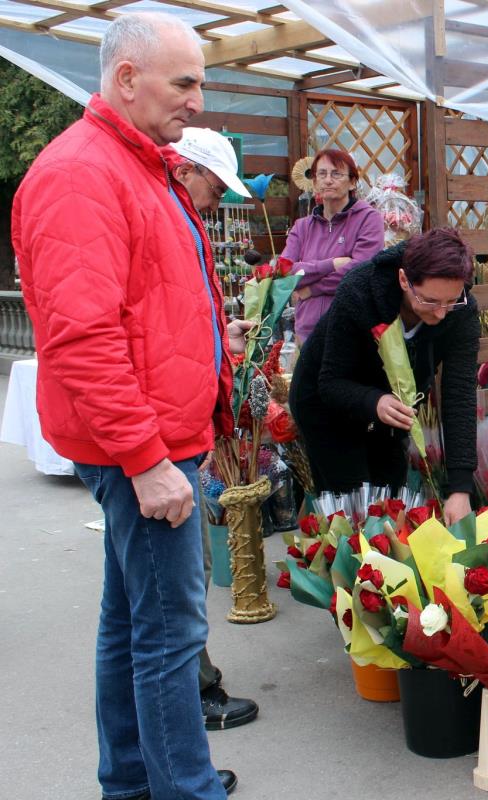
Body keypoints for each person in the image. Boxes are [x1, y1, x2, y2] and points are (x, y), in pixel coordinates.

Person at [13, 12, 238, 799]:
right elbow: (81, 339)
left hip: (156, 440)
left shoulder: (136, 166)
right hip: (139, 449)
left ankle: (136, 783)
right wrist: (148, 458)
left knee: (132, 627)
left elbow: (157, 312)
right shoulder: (84, 174)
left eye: (200, 82)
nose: (198, 101)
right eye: (186, 83)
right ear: (126, 79)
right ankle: (184, 788)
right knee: (170, 635)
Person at [289, 228, 480, 526]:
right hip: (327, 405)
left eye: (451, 301)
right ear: (404, 280)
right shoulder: (360, 290)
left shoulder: (463, 311)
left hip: (392, 412)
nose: (443, 313)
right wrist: (374, 401)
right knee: (356, 516)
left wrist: (460, 487)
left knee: (392, 509)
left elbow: (459, 393)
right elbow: (331, 381)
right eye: (431, 301)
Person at [168, 126, 261, 733]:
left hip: (176, 427)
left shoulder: (180, 219)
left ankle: (189, 691)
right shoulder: (169, 220)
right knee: (178, 582)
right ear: (185, 170)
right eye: (213, 186)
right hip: (162, 437)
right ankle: (191, 699)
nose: (215, 202)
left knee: (169, 583)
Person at [283, 147, 385, 342]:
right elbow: (286, 271)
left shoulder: (368, 219)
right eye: (322, 174)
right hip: (306, 331)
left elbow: (361, 272)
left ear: (352, 182)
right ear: (314, 182)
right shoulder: (302, 227)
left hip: (349, 331)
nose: (328, 180)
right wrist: (332, 264)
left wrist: (312, 289)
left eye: (336, 174)